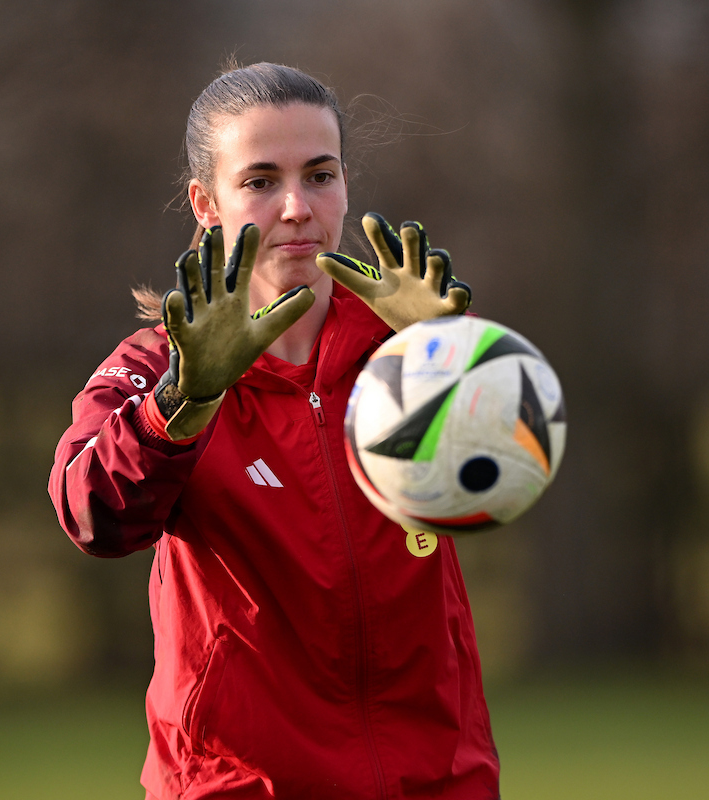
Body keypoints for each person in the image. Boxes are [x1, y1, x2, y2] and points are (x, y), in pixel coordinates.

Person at [48, 62, 500, 800]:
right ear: (206, 203)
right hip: (239, 785)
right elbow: (92, 514)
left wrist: (452, 365)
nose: (296, 207)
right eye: (260, 181)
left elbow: (501, 484)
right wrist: (184, 401)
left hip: (438, 779)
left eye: (320, 175)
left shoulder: (406, 340)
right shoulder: (159, 365)